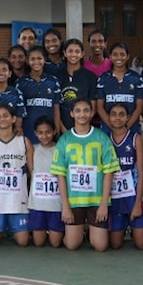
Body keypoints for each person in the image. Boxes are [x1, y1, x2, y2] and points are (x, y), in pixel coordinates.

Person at [51, 98, 119, 252]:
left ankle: (90, 229)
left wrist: (103, 204)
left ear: (91, 113)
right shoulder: (64, 140)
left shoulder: (102, 137)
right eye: (78, 111)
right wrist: (65, 207)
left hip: (96, 200)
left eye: (86, 110)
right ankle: (81, 229)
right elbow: (60, 175)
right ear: (72, 114)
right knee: (72, 245)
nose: (82, 114)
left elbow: (109, 171)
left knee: (100, 246)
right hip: (75, 200)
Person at [0, 104, 32, 247]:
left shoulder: (24, 141)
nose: (2, 119)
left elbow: (32, 171)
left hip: (18, 199)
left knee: (23, 242)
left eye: (6, 115)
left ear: (13, 119)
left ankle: (12, 227)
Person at [105, 104, 143, 250]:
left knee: (141, 245)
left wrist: (137, 205)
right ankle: (123, 226)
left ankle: (133, 224)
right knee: (115, 244)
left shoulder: (136, 138)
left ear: (128, 117)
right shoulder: (105, 140)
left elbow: (141, 173)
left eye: (121, 114)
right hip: (115, 197)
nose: (117, 118)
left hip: (133, 195)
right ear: (109, 117)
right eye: (114, 114)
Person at [94, 42, 143, 134]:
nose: (119, 57)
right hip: (108, 131)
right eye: (115, 54)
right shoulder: (103, 78)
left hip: (131, 131)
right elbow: (99, 107)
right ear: (110, 57)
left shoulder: (136, 79)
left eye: (122, 54)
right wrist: (113, 127)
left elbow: (139, 107)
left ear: (128, 56)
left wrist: (125, 128)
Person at [26, 116, 63, 248]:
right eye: (40, 133)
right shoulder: (33, 149)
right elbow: (31, 171)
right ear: (35, 133)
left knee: (55, 243)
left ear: (54, 131)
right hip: (37, 203)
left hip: (56, 203)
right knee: (38, 242)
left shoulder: (60, 149)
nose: (44, 136)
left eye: (47, 132)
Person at [16, 46, 62, 143]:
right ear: (27, 61)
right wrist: (18, 127)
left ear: (45, 59)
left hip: (48, 132)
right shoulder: (21, 82)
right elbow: (18, 109)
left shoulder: (53, 81)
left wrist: (57, 130)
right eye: (32, 59)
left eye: (39, 58)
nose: (36, 62)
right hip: (28, 130)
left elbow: (56, 108)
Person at [52, 38, 96, 137]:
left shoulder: (90, 77)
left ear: (82, 54)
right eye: (70, 51)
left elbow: (93, 107)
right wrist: (63, 130)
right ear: (64, 53)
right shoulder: (56, 77)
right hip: (61, 130)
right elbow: (55, 107)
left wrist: (80, 130)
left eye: (77, 51)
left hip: (83, 131)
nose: (73, 54)